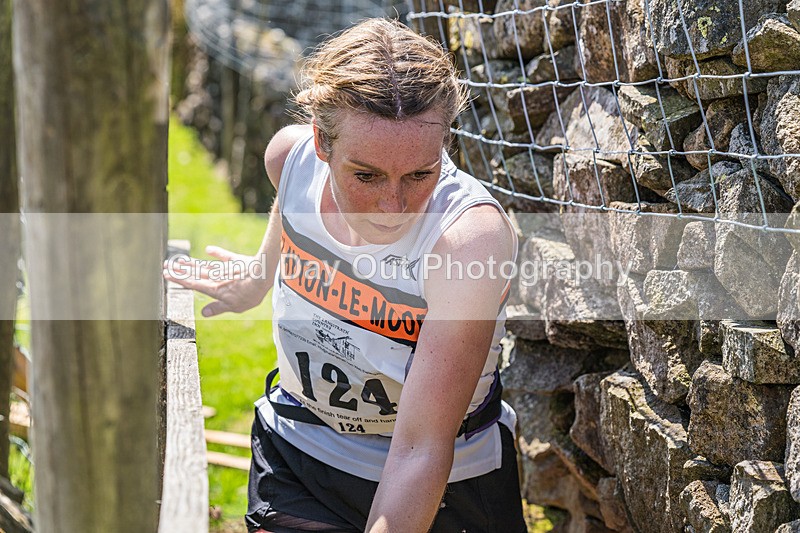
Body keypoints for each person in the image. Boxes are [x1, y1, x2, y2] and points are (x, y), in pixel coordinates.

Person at [165, 18, 526, 533]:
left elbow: (422, 447)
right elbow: (291, 201)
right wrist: (261, 274)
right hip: (299, 448)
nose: (393, 205)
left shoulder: (469, 240)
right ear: (321, 141)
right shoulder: (288, 157)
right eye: (366, 175)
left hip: (446, 484)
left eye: (421, 173)